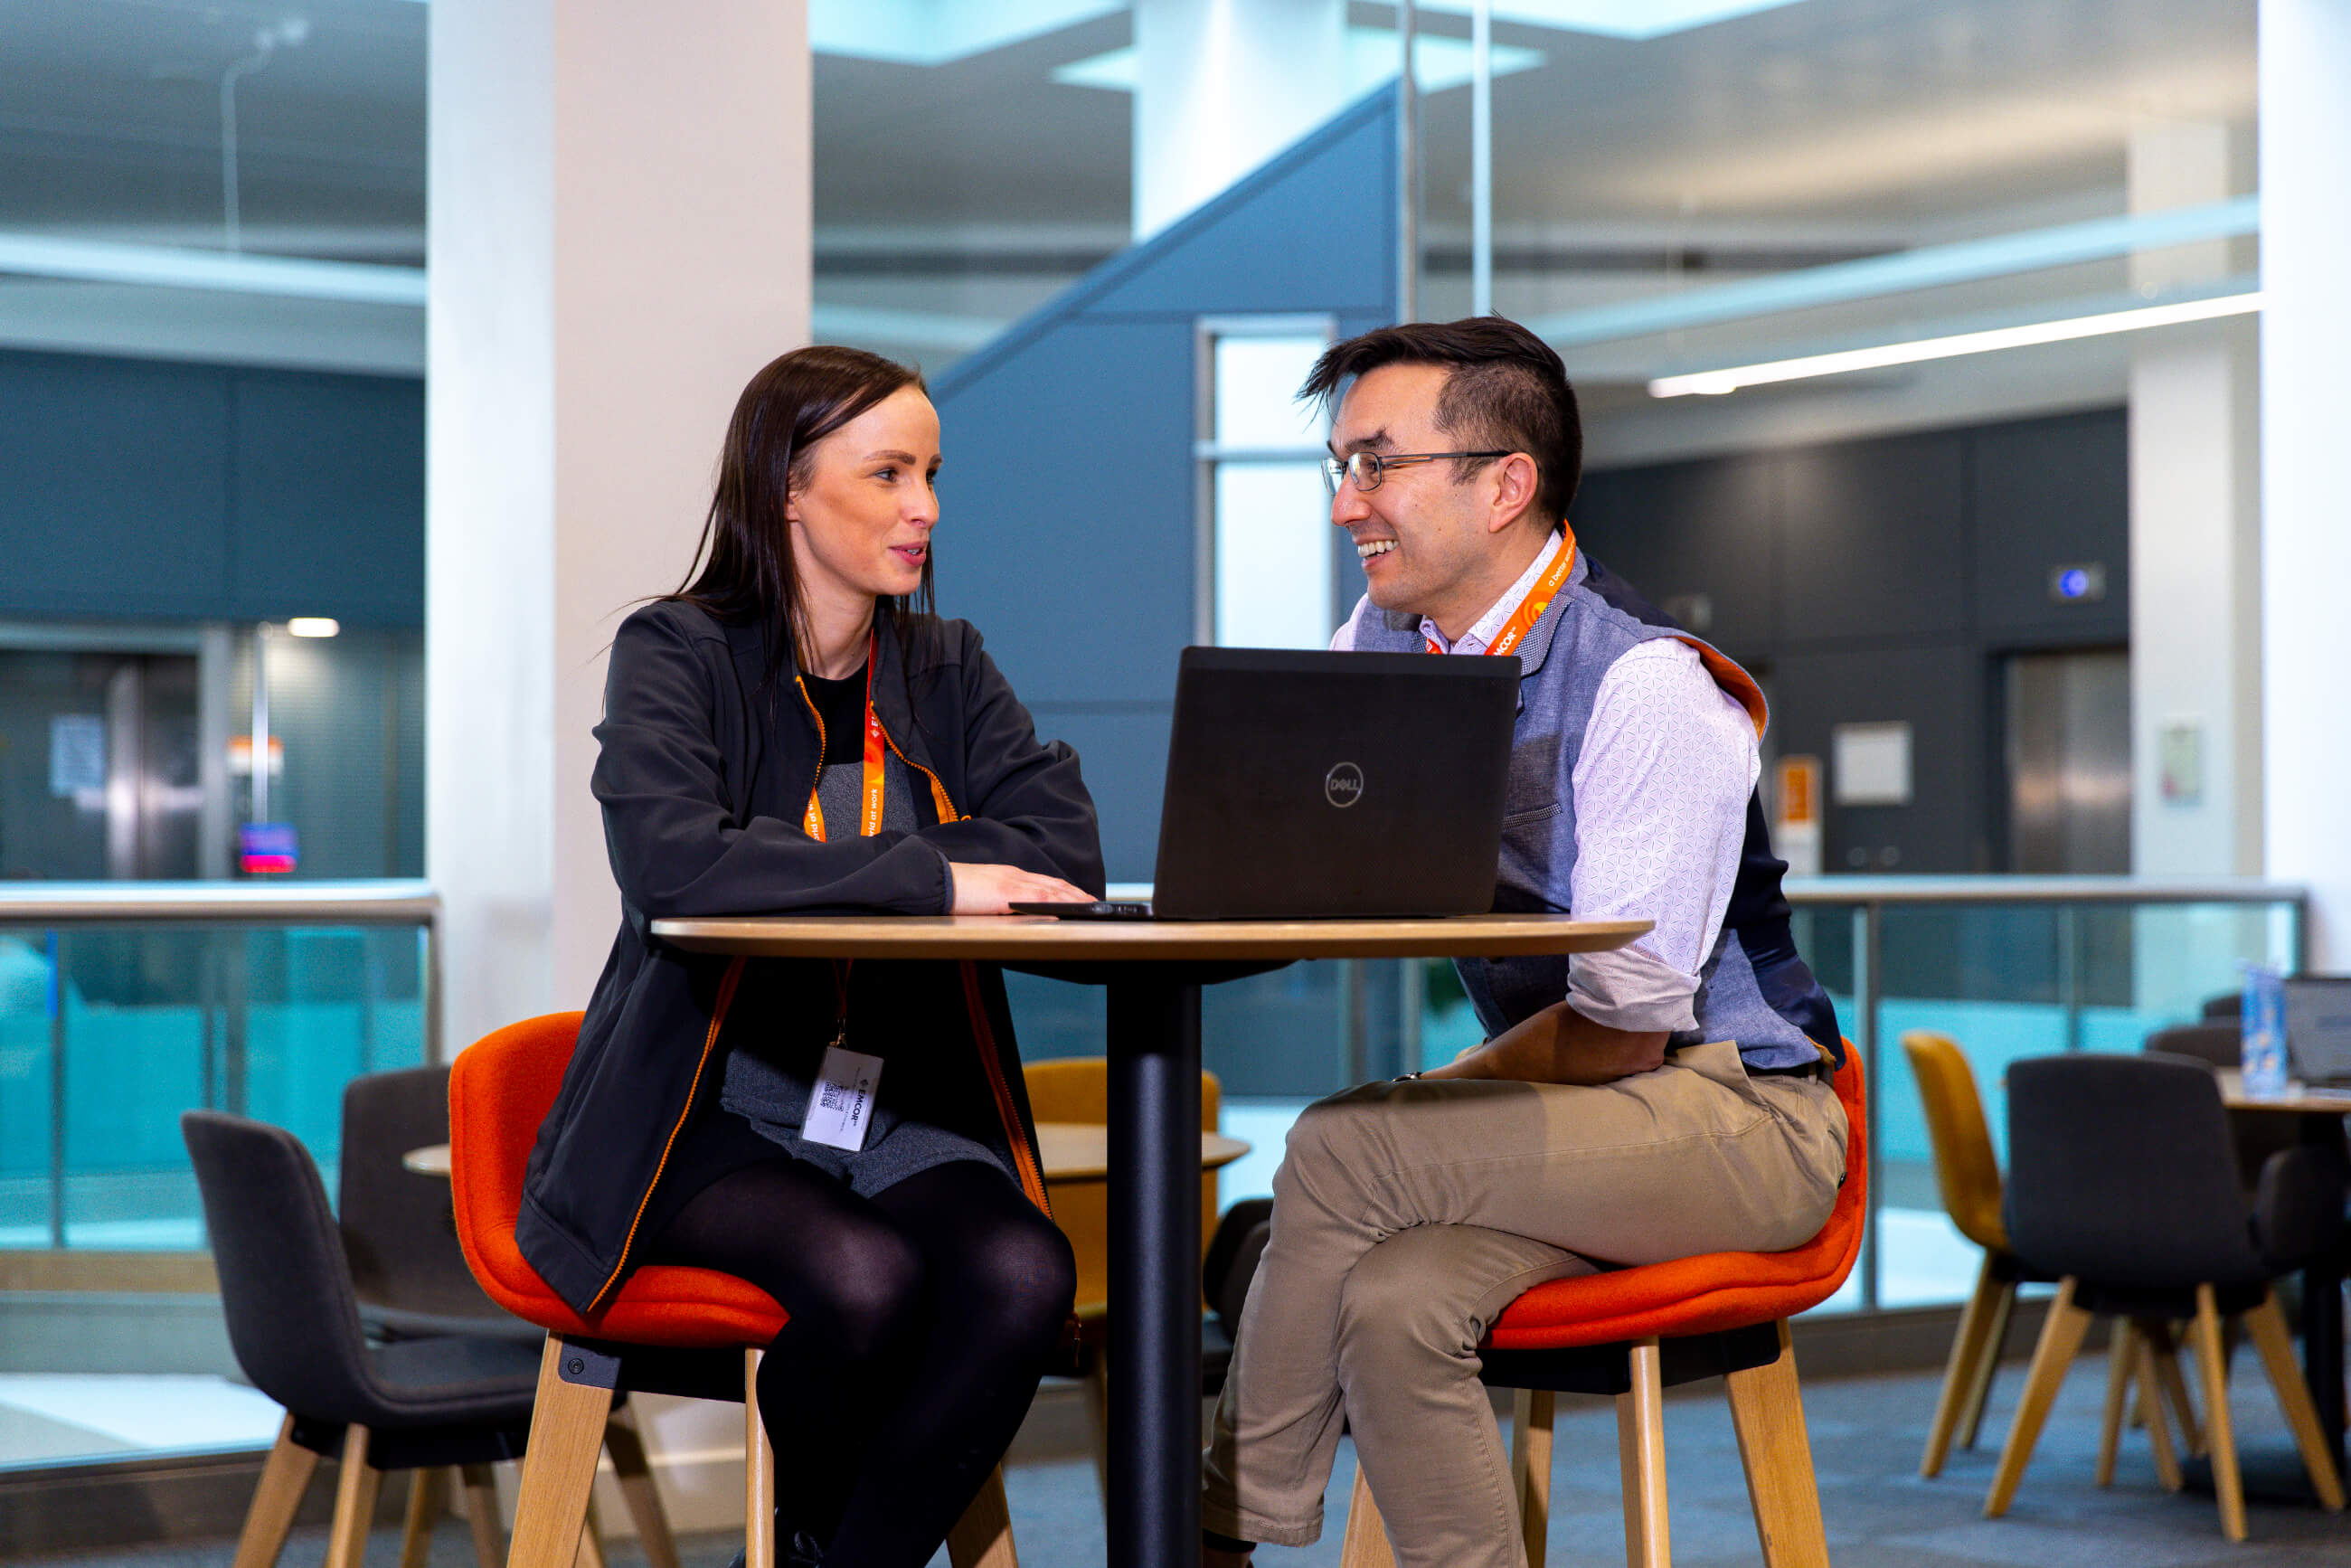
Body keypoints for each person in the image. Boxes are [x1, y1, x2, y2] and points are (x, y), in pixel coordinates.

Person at [1200, 317, 1847, 1568]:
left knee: (1340, 1143)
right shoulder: (1379, 651)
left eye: (1376, 464)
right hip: (1581, 1134)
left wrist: (1426, 1102)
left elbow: (1628, 1022)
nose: (1347, 505)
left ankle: (1219, 1533)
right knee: (1393, 1302)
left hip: (1736, 1114)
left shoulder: (1647, 680)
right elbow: (1287, 867)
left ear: (1505, 483)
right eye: (1338, 467)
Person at [518, 345, 1104, 1568]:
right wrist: (933, 875)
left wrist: (789, 854)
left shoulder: (946, 665)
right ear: (786, 486)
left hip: (892, 1105)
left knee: (1022, 1272)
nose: (925, 507)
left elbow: (1064, 858)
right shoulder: (675, 651)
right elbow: (678, 866)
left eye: (932, 473)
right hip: (707, 1107)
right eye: (888, 472)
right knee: (865, 1276)